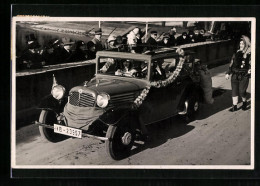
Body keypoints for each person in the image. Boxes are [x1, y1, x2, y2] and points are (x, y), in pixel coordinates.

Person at [225, 35, 251, 112]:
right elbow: (231, 64)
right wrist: (228, 73)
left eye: (243, 44)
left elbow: (251, 64)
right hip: (235, 75)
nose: (241, 45)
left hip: (244, 75)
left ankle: (244, 102)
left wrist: (250, 70)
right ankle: (234, 106)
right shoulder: (236, 53)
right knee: (234, 91)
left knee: (242, 91)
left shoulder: (249, 54)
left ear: (246, 44)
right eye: (240, 44)